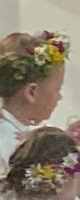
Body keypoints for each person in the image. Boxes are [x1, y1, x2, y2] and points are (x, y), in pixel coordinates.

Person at [0, 31, 68, 170]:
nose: (60, 97)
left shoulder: (42, 133)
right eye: (57, 89)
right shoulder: (5, 140)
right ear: (31, 92)